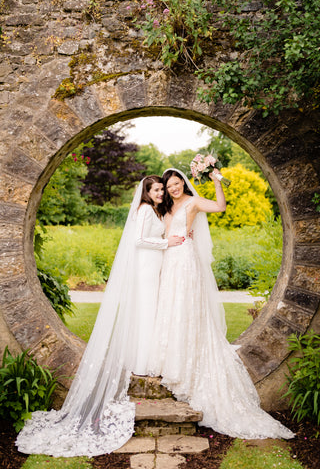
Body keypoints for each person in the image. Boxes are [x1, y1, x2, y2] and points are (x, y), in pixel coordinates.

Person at [16, 175, 184, 457]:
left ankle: (148, 357)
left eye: (160, 190)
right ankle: (142, 362)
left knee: (151, 311)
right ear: (146, 192)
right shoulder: (143, 210)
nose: (159, 193)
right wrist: (167, 243)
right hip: (145, 265)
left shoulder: (154, 210)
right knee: (145, 311)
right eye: (156, 189)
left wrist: (168, 241)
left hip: (154, 264)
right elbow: (139, 240)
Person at [148, 168, 294, 440]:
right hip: (169, 260)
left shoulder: (193, 202)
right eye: (169, 186)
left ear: (184, 182)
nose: (174, 189)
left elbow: (220, 206)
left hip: (186, 261)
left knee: (187, 309)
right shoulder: (166, 206)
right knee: (170, 308)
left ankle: (188, 362)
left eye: (177, 184)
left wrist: (216, 182)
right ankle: (170, 357)